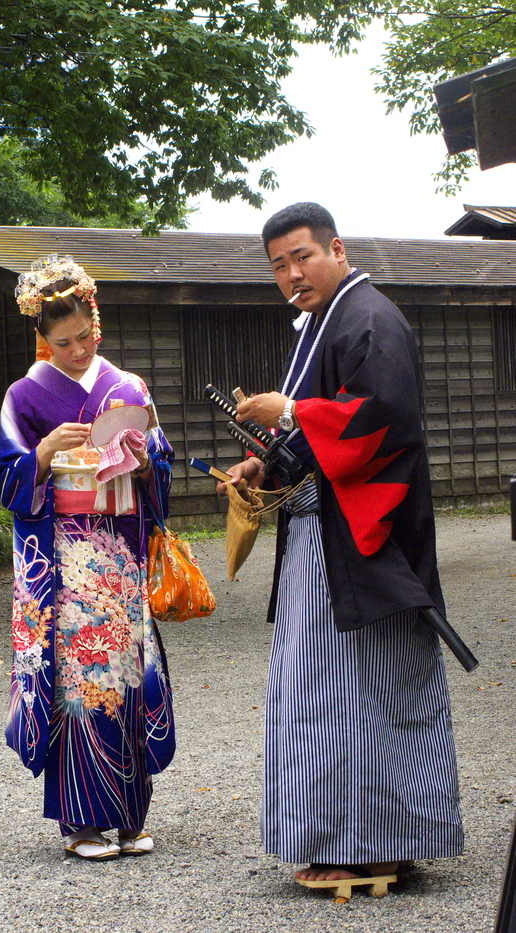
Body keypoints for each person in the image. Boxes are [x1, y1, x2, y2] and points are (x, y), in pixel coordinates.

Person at [219, 203, 463, 892]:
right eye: (279, 266)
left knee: (348, 689)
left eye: (302, 257)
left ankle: (365, 845)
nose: (293, 274)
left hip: (359, 541)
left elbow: (381, 419)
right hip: (326, 536)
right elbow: (320, 439)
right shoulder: (328, 320)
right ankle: (377, 835)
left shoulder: (369, 318)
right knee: (336, 687)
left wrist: (292, 412)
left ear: (336, 248)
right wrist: (265, 464)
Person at [0, 255, 175, 861]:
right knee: (80, 683)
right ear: (43, 341)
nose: (75, 350)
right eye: (62, 342)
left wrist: (145, 459)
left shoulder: (129, 388)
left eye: (84, 337)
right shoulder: (24, 395)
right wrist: (42, 451)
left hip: (119, 553)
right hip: (66, 558)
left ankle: (129, 816)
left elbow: (162, 465)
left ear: (98, 325)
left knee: (124, 675)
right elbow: (5, 478)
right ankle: (82, 823)